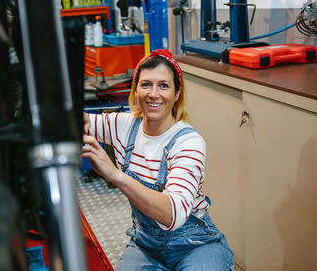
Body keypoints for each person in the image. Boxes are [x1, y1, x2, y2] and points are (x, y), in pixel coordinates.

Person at [82, 49, 235, 270]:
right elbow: (80, 120)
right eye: (146, 85)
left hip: (196, 244)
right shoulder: (123, 125)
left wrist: (115, 175)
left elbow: (173, 214)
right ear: (135, 90)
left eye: (163, 85)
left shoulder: (189, 142)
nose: (153, 94)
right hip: (146, 245)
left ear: (176, 93)